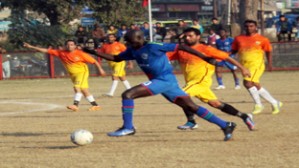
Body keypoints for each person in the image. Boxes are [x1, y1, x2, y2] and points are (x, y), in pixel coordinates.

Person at [84, 30, 237, 141]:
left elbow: (181, 47)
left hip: (163, 80)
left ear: (140, 38)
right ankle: (225, 125)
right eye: (128, 42)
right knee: (191, 107)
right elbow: (117, 58)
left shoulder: (153, 46)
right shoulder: (133, 49)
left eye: (132, 41)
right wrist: (94, 52)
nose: (129, 44)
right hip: (167, 83)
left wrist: (205, 58)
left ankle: (128, 127)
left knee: (128, 94)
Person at [167, 28, 254, 131]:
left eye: (190, 36)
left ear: (198, 37)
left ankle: (191, 121)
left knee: (181, 95)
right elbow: (165, 56)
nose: (187, 38)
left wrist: (243, 68)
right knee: (216, 103)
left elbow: (226, 57)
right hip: (193, 84)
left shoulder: (206, 49)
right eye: (186, 36)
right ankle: (244, 116)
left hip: (201, 82)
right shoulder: (181, 50)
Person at [23, 40, 106, 112]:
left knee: (76, 87)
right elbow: (46, 50)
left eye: (71, 44)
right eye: (68, 44)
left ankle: (75, 105)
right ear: (65, 46)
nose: (69, 46)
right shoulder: (61, 52)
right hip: (73, 74)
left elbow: (94, 61)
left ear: (75, 46)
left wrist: (101, 69)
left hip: (82, 72)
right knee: (84, 90)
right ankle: (95, 105)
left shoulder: (80, 54)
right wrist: (31, 46)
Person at [231, 19, 283, 115]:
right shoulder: (238, 38)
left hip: (256, 65)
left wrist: (270, 64)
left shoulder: (262, 39)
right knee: (256, 85)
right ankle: (275, 103)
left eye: (251, 26)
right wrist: (223, 55)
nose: (249, 28)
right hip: (244, 66)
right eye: (247, 26)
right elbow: (233, 50)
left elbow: (268, 51)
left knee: (247, 83)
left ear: (256, 27)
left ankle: (258, 104)